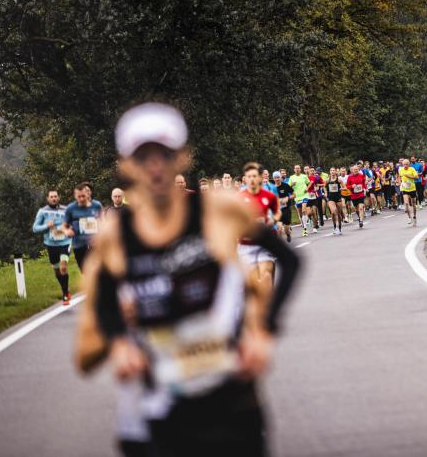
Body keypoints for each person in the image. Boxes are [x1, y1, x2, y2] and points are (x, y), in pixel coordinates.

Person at [74, 102, 301, 457]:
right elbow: (93, 331)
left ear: (182, 157)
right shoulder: (113, 237)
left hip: (233, 398)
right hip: (163, 410)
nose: (155, 167)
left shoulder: (220, 211)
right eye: (143, 156)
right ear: (126, 166)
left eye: (164, 154)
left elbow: (290, 260)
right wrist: (119, 342)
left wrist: (264, 331)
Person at [238, 162, 281, 297]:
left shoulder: (269, 194)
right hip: (246, 244)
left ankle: (268, 305)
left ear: (259, 177)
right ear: (245, 178)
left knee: (266, 274)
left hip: (265, 241)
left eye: (254, 176)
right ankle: (262, 301)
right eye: (248, 176)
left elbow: (277, 212)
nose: (251, 179)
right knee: (254, 283)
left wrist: (274, 220)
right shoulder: (239, 196)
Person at [32, 190, 72, 304]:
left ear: (58, 197)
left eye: (55, 196)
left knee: (63, 266)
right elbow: (35, 228)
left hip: (65, 242)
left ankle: (65, 295)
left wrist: (70, 229)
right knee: (56, 270)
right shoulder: (42, 212)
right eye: (51, 197)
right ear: (47, 198)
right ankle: (66, 289)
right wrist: (46, 226)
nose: (54, 198)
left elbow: (73, 223)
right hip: (51, 244)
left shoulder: (66, 210)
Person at [63, 182, 103, 272]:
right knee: (84, 271)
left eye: (83, 196)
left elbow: (103, 223)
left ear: (88, 193)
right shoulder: (71, 208)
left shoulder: (97, 205)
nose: (81, 199)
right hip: (79, 245)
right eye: (79, 196)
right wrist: (67, 231)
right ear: (75, 195)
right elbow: (64, 226)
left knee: (98, 271)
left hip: (95, 244)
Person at [273, 171, 294, 243]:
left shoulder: (285, 185)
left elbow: (294, 195)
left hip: (286, 209)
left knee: (286, 230)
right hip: (277, 210)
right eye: (275, 178)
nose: (277, 179)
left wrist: (287, 198)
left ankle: (288, 235)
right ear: (273, 178)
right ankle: (279, 245)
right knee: (279, 228)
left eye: (278, 177)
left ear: (280, 177)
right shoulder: (271, 187)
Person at [397, 158, 419, 227]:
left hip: (412, 188)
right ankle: (410, 218)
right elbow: (399, 177)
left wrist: (409, 176)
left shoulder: (412, 169)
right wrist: (399, 182)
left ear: (409, 164)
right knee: (406, 204)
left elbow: (416, 177)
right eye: (404, 164)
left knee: (413, 204)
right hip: (405, 189)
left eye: (406, 164)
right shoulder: (401, 170)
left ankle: (414, 216)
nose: (405, 165)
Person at [346, 164, 367, 229]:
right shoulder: (350, 177)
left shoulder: (361, 175)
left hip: (361, 194)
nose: (356, 171)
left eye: (357, 169)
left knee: (361, 207)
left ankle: (361, 221)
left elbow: (364, 183)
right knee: (356, 209)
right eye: (354, 170)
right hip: (353, 195)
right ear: (352, 170)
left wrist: (365, 188)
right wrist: (351, 186)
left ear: (358, 170)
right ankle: (359, 216)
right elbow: (347, 185)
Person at [325, 168, 345, 235]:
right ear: (330, 172)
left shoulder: (339, 180)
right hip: (331, 198)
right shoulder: (327, 180)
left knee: (338, 214)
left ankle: (339, 228)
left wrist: (342, 188)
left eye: (334, 170)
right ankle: (334, 227)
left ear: (336, 172)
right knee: (333, 212)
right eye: (331, 170)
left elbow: (345, 187)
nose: (332, 172)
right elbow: (324, 187)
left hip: (338, 198)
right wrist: (326, 193)